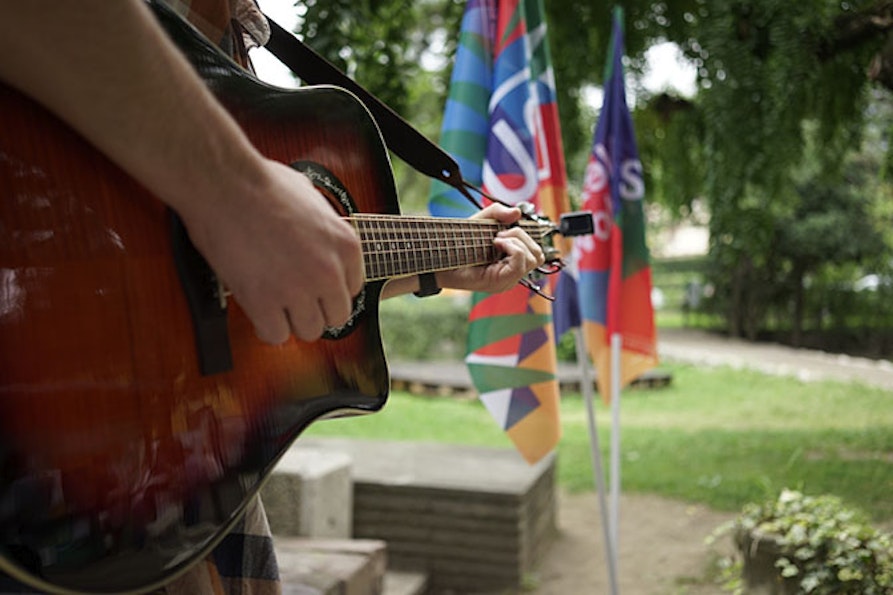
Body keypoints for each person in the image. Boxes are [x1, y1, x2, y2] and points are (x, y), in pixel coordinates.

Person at [0, 2, 544, 593]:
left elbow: (204, 277)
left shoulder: (237, 25)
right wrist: (238, 189)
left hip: (164, 485)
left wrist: (435, 269)